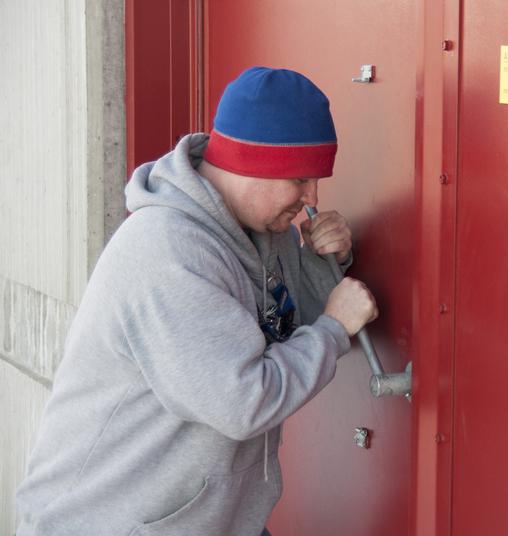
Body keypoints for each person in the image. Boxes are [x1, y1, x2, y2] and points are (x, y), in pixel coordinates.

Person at [15, 67, 378, 535]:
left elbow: (286, 329)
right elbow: (244, 402)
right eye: (300, 180)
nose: (312, 197)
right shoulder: (167, 253)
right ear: (251, 165)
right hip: (109, 522)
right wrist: (334, 329)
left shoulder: (266, 234)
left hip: (208, 520)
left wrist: (326, 262)